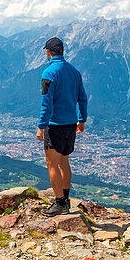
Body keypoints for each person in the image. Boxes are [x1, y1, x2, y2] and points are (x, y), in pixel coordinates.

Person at [35, 36, 88, 216]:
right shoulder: (75, 72)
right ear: (63, 51)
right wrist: (82, 120)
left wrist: (41, 126)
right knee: (64, 161)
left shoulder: (48, 73)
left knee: (52, 164)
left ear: (48, 53)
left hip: (55, 126)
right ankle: (65, 199)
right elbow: (82, 98)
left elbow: (46, 103)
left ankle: (59, 203)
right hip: (71, 125)